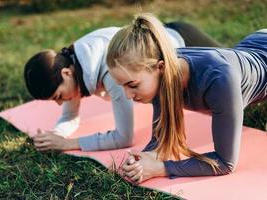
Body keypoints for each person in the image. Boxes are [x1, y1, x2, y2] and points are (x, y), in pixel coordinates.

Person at [106, 13, 267, 183]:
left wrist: (160, 169)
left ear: (160, 68)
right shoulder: (161, 73)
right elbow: (160, 140)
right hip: (253, 45)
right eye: (121, 85)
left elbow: (224, 163)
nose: (127, 95)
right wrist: (141, 161)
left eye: (132, 85)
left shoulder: (219, 79)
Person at [23, 22, 222, 152]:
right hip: (166, 33)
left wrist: (68, 144)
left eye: (58, 96)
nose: (60, 103)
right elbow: (69, 116)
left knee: (238, 74)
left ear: (66, 73)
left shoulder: (113, 73)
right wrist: (56, 136)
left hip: (185, 41)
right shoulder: (72, 65)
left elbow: (124, 137)